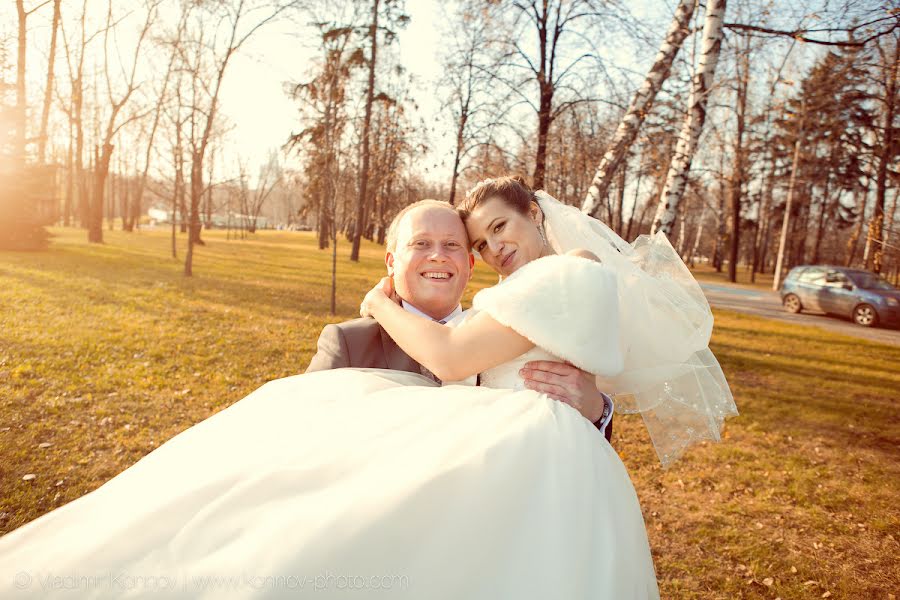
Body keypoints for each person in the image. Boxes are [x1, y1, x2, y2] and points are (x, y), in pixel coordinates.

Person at [306, 198, 615, 440]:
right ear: (391, 262)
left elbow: (572, 441)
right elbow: (303, 437)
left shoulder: (502, 330)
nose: (438, 255)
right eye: (421, 243)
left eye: (452, 245)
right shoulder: (349, 343)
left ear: (469, 265)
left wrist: (596, 412)